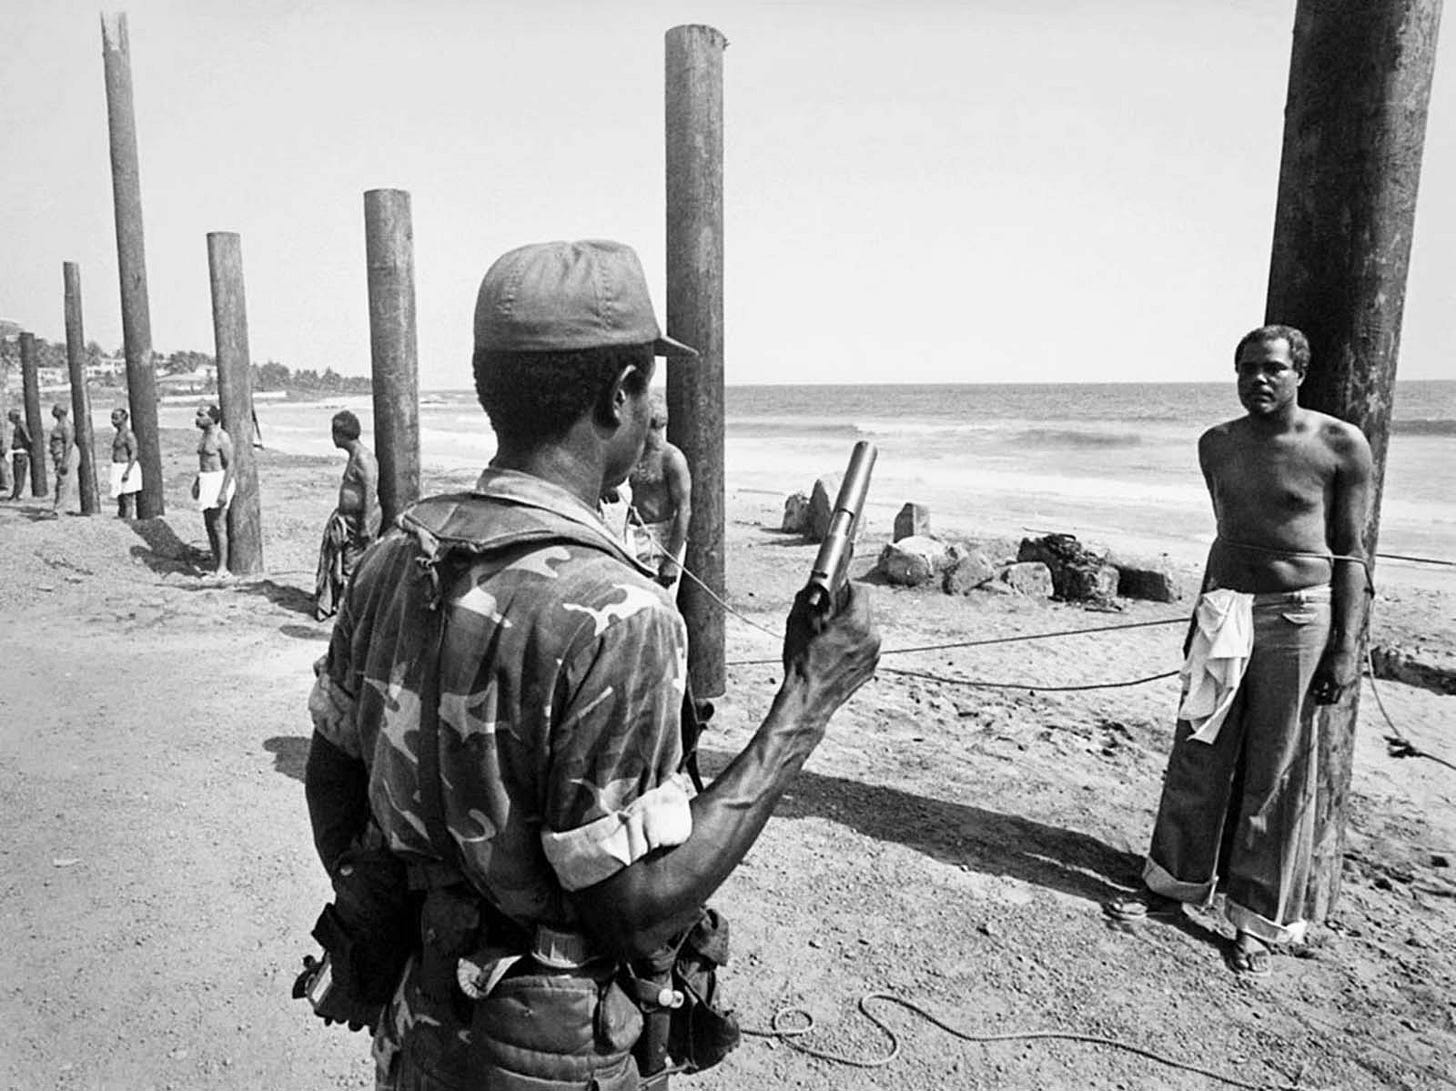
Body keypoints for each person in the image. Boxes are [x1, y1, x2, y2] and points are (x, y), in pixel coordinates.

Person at [303, 239, 880, 1090]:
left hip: (417, 1028)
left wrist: (406, 909)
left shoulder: (397, 554)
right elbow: (638, 909)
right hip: (549, 1058)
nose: (655, 412)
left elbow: (330, 779)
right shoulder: (619, 613)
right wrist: (808, 700)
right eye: (649, 386)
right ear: (619, 397)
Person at [1107, 324, 1372, 978]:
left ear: (1299, 373)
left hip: (1300, 616)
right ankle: (1171, 884)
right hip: (1225, 609)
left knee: (1275, 770)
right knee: (1198, 748)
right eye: (1248, 368)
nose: (1260, 378)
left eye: (1274, 368)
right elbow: (1228, 537)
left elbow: (1352, 555)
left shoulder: (1340, 445)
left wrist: (1346, 648)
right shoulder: (1217, 444)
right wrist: (1201, 613)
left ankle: (1255, 918)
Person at [314, 409, 380, 620]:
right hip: (349, 519)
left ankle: (350, 613)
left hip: (359, 519)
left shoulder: (363, 458)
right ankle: (344, 607)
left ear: (339, 435)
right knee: (341, 565)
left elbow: (370, 491)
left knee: (353, 567)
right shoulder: (355, 456)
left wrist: (365, 524)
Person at [626, 392, 692, 591]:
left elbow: (684, 510)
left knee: (660, 599)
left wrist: (672, 560)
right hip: (632, 530)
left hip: (661, 535)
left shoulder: (672, 459)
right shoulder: (634, 452)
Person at [192, 404, 235, 576]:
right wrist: (197, 482)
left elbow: (230, 464)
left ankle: (223, 567)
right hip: (206, 480)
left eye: (201, 415)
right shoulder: (204, 435)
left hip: (219, 480)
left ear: (211, 417)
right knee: (209, 524)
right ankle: (217, 562)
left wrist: (223, 490)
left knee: (219, 525)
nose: (198, 418)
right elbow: (203, 462)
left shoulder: (221, 436)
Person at [109, 407, 142, 520]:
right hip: (117, 467)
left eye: (116, 418)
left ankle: (128, 520)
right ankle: (121, 517)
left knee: (128, 498)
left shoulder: (128, 435)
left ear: (124, 419)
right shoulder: (119, 434)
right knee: (120, 496)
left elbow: (134, 453)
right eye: (112, 418)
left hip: (126, 467)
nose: (113, 421)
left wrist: (127, 471)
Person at [48, 404, 77, 516]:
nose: (52, 411)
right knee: (60, 481)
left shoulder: (66, 425)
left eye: (54, 409)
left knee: (64, 482)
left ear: (60, 412)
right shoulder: (59, 424)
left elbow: (68, 443)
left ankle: (59, 510)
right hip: (59, 454)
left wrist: (65, 462)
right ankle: (58, 507)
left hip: (67, 455)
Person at [6, 408, 31, 501]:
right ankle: (16, 493)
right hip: (18, 453)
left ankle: (17, 495)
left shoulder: (21, 425)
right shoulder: (18, 425)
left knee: (19, 475)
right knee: (17, 475)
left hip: (21, 453)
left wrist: (25, 449)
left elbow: (28, 438)